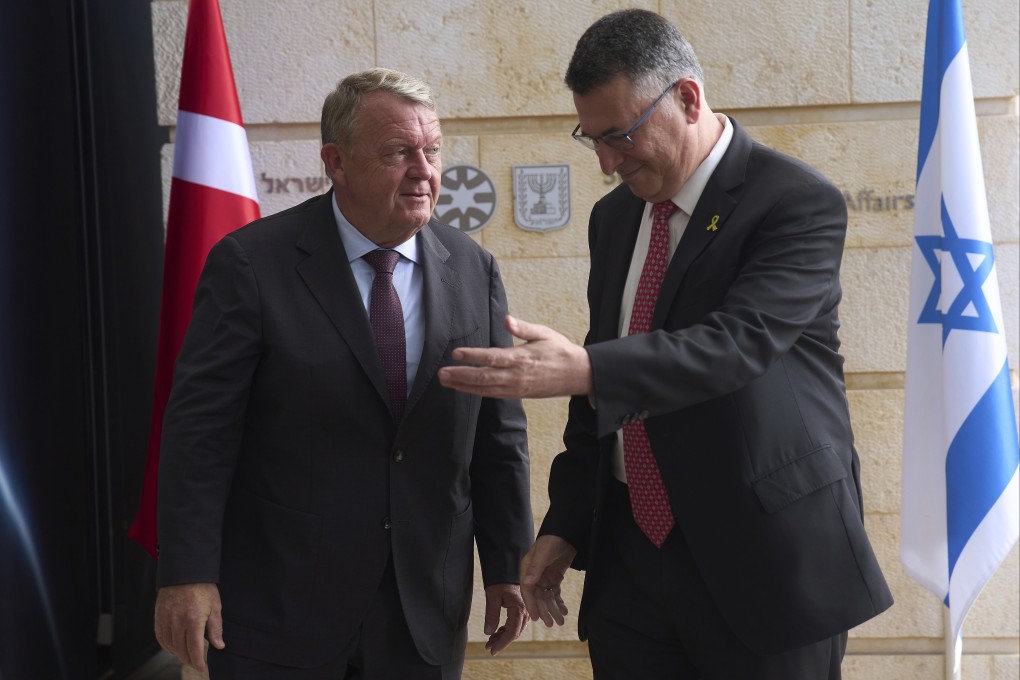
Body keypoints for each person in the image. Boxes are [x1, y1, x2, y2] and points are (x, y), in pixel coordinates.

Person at [438, 9, 893, 679]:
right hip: (632, 563)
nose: (605, 162)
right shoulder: (614, 217)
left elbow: (738, 344)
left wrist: (583, 368)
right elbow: (604, 394)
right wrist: (566, 523)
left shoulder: (794, 202)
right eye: (590, 139)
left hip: (764, 561)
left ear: (686, 97)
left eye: (620, 135)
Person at [153, 68, 533, 679]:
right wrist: (187, 576)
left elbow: (497, 433)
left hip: (422, 609)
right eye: (398, 153)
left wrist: (509, 565)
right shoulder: (251, 265)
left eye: (432, 150)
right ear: (336, 160)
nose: (424, 170)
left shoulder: (473, 267)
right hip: (280, 607)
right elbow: (200, 435)